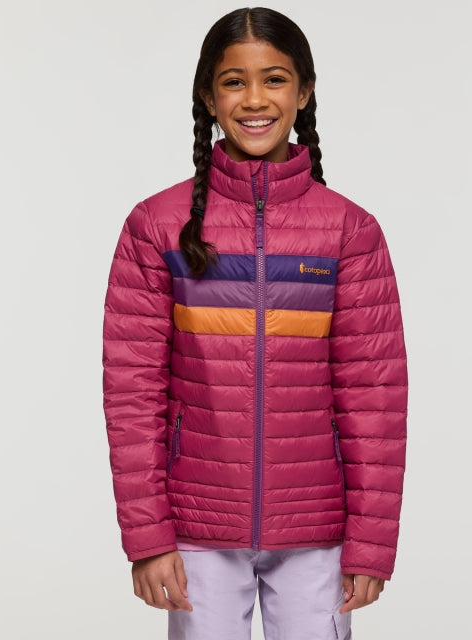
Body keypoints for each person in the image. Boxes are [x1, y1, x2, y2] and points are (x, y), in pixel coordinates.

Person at [102, 7, 407, 639]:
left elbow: (374, 398)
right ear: (208, 96)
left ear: (304, 91)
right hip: (196, 526)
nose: (255, 99)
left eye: (274, 79)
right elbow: (132, 393)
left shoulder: (349, 231)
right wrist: (148, 536)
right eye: (234, 81)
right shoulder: (156, 226)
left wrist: (371, 543)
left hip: (318, 527)